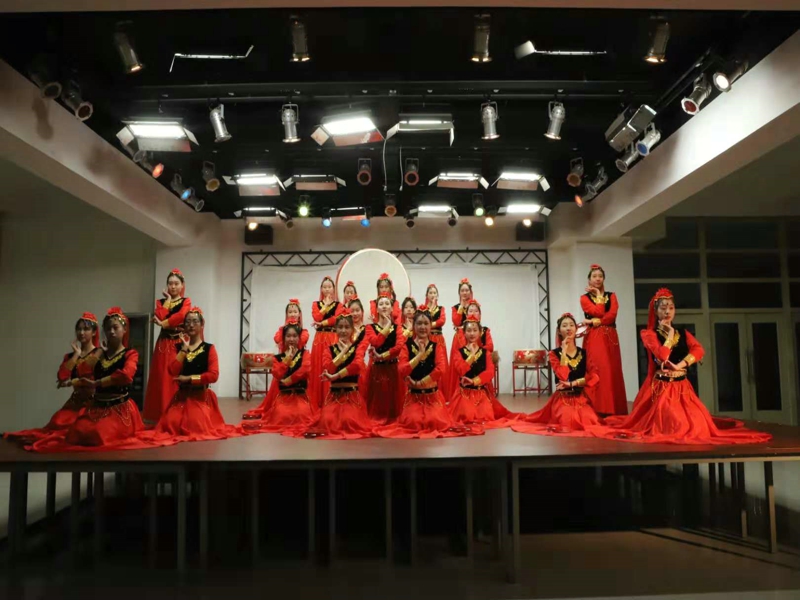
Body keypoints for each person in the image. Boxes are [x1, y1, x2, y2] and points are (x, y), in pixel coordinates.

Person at [602, 289, 772, 445]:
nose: (667, 312)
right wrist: (669, 335)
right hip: (661, 390)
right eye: (663, 308)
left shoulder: (683, 333)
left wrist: (680, 365)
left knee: (697, 424)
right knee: (671, 423)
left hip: (682, 388)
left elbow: (698, 350)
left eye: (671, 308)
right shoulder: (649, 334)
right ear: (656, 311)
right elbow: (662, 355)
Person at [30, 308, 145, 452]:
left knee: (96, 434)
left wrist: (96, 382)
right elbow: (81, 372)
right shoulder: (100, 354)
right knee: (71, 430)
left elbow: (126, 375)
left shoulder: (129, 353)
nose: (111, 332)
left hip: (116, 406)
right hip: (96, 405)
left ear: (125, 330)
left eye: (115, 328)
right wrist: (79, 355)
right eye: (108, 328)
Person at [139, 307, 240, 444]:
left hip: (200, 398)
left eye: (195, 321)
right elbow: (172, 370)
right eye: (187, 322)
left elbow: (213, 375)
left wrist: (190, 378)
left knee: (194, 424)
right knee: (170, 425)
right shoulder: (178, 347)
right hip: (181, 399)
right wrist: (184, 351)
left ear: (202, 324)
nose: (191, 325)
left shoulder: (209, 349)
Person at [377, 311, 478, 439]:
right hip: (414, 398)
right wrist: (419, 356)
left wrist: (421, 382)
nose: (422, 327)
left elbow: (440, 369)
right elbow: (402, 369)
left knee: (435, 421)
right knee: (413, 422)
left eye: (426, 323)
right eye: (419, 323)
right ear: (414, 326)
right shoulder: (406, 346)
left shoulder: (436, 347)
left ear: (431, 326)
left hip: (433, 398)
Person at [5, 313, 99, 443]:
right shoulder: (71, 356)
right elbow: (62, 376)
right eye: (79, 329)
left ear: (94, 332)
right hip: (75, 402)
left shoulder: (99, 354)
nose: (81, 332)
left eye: (86, 329)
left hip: (93, 404)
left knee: (81, 429)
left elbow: (94, 377)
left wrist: (74, 381)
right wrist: (76, 355)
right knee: (58, 422)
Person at [512, 313, 602, 437]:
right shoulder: (553, 354)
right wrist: (564, 352)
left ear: (576, 329)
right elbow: (563, 376)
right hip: (563, 399)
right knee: (568, 422)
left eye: (571, 325)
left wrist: (574, 383)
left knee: (590, 422)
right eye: (564, 326)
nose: (568, 328)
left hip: (580, 398)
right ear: (559, 331)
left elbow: (595, 376)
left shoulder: (584, 353)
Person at [294, 312, 373, 440]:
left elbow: (356, 366)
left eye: (347, 327)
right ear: (335, 329)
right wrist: (342, 353)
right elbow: (328, 367)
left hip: (351, 397)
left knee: (349, 421)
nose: (343, 331)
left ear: (352, 329)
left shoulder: (357, 348)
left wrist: (335, 376)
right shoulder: (329, 349)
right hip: (334, 397)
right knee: (329, 422)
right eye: (340, 327)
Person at [243, 322, 315, 433]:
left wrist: (289, 380)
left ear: (299, 338)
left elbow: (305, 369)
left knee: (302, 415)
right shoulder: (277, 358)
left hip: (300, 397)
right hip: (284, 398)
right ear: (284, 338)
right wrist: (287, 360)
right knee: (282, 416)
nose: (291, 339)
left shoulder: (305, 354)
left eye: (294, 336)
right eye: (288, 336)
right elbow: (277, 374)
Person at [449, 315, 517, 428]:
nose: (472, 333)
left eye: (475, 330)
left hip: (481, 395)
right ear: (464, 333)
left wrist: (473, 381)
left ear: (480, 333)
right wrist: (471, 356)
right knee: (467, 417)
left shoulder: (486, 353)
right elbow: (460, 370)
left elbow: (490, 372)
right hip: (464, 395)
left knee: (485, 418)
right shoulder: (459, 352)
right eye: (469, 330)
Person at [143, 269, 191, 424]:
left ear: (182, 285)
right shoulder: (161, 301)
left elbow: (181, 316)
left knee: (175, 377)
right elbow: (159, 314)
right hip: (163, 344)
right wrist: (168, 299)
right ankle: (161, 414)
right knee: (162, 377)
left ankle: (176, 414)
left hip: (178, 343)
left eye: (176, 283)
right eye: (170, 284)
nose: (173, 286)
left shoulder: (186, 302)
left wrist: (163, 323)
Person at [580, 264, 627, 416]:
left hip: (610, 336)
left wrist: (597, 321)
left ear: (604, 278)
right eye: (594, 276)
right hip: (595, 337)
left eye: (600, 276)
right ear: (589, 279)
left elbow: (612, 315)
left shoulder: (612, 296)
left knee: (612, 369)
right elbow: (598, 311)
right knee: (598, 368)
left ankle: (613, 408)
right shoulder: (584, 298)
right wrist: (599, 296)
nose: (597, 279)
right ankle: (597, 408)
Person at [364, 294, 404, 424]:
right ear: (377, 309)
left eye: (387, 304)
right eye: (381, 304)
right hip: (377, 370)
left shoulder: (397, 327)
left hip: (393, 368)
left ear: (392, 308)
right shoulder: (370, 327)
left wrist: (382, 356)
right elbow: (376, 342)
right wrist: (387, 327)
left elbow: (399, 347)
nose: (384, 306)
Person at [447, 300, 494, 402]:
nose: (473, 313)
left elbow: (490, 347)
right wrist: (471, 355)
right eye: (470, 311)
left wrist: (479, 352)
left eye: (476, 311)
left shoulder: (485, 331)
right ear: (466, 314)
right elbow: (461, 353)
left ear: (480, 315)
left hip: (481, 376)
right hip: (465, 376)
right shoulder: (460, 332)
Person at [309, 276, 344, 408]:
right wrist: (325, 307)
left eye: (329, 287)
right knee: (318, 365)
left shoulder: (339, 305)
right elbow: (316, 316)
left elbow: (336, 319)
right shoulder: (316, 304)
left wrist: (322, 323)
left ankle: (332, 399)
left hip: (332, 337)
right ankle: (318, 400)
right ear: (321, 289)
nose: (327, 289)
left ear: (334, 289)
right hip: (319, 338)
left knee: (331, 364)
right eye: (325, 287)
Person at [421, 284, 448, 396]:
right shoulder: (423, 309)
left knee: (440, 362)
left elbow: (442, 321)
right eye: (430, 293)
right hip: (427, 338)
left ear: (437, 295)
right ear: (427, 295)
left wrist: (428, 324)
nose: (432, 295)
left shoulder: (441, 309)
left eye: (434, 293)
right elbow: (421, 320)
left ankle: (442, 392)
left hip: (438, 338)